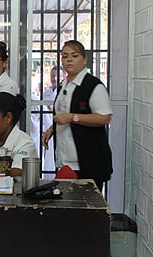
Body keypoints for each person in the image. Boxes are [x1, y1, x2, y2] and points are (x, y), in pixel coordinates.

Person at [42, 40, 113, 191]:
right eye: (64, 56)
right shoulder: (63, 84)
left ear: (84, 59)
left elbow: (105, 118)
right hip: (65, 156)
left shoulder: (93, 85)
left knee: (86, 207)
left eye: (74, 55)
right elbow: (63, 113)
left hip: (86, 158)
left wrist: (72, 117)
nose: (68, 60)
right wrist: (52, 129)